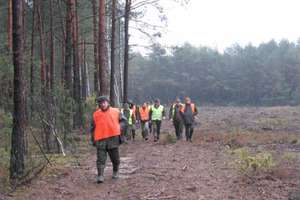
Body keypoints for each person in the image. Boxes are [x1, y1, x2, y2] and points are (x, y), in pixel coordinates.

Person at [90, 96, 127, 183]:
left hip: (113, 138)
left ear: (108, 102)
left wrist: (119, 127)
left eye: (104, 102)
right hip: (100, 139)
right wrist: (93, 140)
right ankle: (100, 175)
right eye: (101, 103)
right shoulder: (96, 114)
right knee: (100, 159)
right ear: (99, 104)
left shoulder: (116, 111)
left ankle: (115, 171)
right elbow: (92, 128)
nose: (103, 104)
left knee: (115, 159)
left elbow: (124, 122)